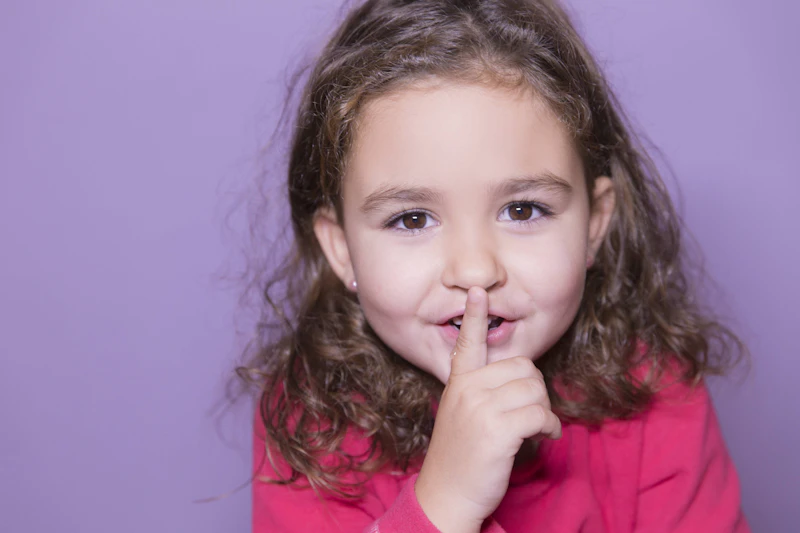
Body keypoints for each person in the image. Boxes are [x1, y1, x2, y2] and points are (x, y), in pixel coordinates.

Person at [237, 0, 749, 531]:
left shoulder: (655, 395)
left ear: (594, 225)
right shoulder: (309, 422)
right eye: (412, 219)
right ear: (342, 250)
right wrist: (443, 502)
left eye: (522, 210)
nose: (476, 268)